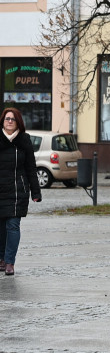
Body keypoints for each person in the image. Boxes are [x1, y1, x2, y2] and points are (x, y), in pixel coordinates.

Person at [0, 108, 41, 276]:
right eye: (7, 118)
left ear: (18, 122)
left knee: (13, 226)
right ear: (2, 121)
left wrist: (36, 192)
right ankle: (1, 258)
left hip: (18, 191)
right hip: (1, 190)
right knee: (1, 227)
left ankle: (10, 262)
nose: (9, 121)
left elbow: (31, 168)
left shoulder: (24, 141)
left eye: (13, 119)